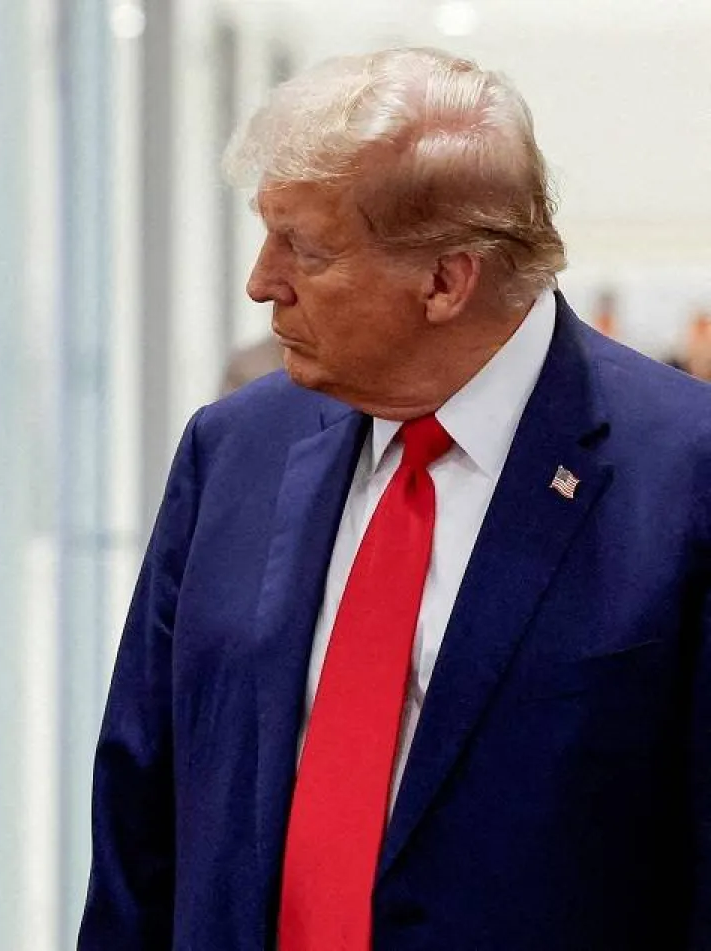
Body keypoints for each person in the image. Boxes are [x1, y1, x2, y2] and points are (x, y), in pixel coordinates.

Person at [78, 47, 711, 950]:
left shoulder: (685, 476)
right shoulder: (232, 452)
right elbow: (139, 818)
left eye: (305, 247)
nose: (262, 280)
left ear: (447, 280)